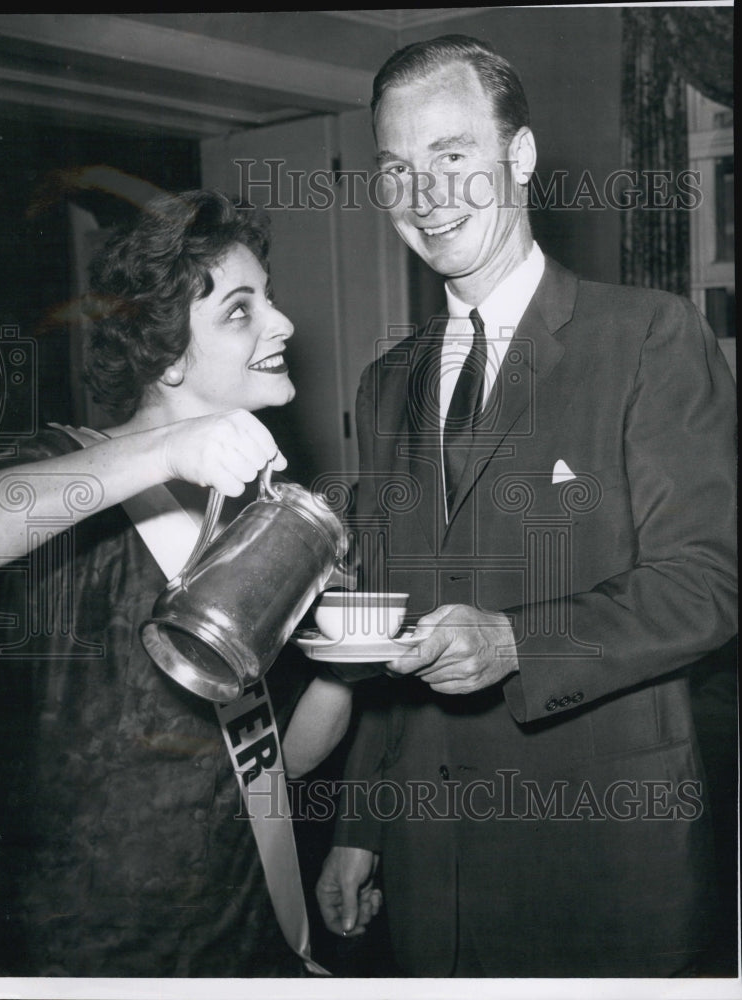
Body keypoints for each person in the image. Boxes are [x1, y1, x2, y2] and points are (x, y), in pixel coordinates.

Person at [315, 35, 737, 977]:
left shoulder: (649, 338)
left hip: (604, 860)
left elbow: (708, 585)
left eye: (453, 157)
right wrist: (363, 826)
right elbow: (390, 628)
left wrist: (515, 642)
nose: (426, 197)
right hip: (434, 873)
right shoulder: (386, 385)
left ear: (522, 158)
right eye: (398, 169)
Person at [0, 189, 353, 977]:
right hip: (102, 952)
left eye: (267, 299)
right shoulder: (71, 468)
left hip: (247, 934)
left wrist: (349, 666)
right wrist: (164, 452)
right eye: (242, 311)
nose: (282, 324)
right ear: (169, 353)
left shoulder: (262, 510)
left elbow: (280, 762)